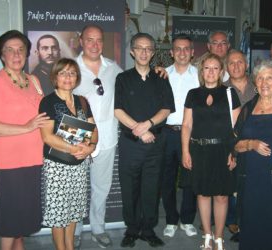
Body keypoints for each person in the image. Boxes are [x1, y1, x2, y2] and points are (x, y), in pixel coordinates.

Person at [0, 30, 49, 250]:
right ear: (2, 55)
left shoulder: (33, 80)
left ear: (27, 53)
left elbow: (43, 113)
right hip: (9, 161)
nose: (16, 54)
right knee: (11, 219)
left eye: (20, 49)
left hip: (33, 157)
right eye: (9, 50)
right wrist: (26, 127)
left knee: (23, 218)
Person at [114, 32, 175, 248]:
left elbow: (167, 108)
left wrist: (148, 124)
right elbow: (118, 111)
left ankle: (148, 230)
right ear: (132, 51)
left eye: (148, 48)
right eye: (139, 48)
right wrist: (140, 130)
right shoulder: (122, 78)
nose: (144, 52)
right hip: (130, 143)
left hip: (156, 144)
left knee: (151, 188)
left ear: (153, 53)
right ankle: (131, 229)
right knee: (129, 188)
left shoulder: (161, 78)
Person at [181, 53, 240, 250]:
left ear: (222, 72)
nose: (211, 72)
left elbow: (236, 128)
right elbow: (187, 125)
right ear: (201, 71)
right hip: (199, 150)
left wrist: (234, 152)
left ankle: (219, 236)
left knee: (222, 196)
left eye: (215, 68)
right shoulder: (192, 94)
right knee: (203, 194)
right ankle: (207, 234)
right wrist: (185, 151)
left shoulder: (230, 94)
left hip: (223, 150)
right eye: (207, 68)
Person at [72, 24, 123, 249]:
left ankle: (98, 228)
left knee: (101, 186)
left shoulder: (113, 68)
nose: (95, 44)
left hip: (108, 136)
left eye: (99, 40)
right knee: (76, 188)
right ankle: (72, 231)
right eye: (90, 40)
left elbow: (130, 92)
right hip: (78, 138)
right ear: (81, 41)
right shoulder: (70, 68)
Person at [39, 58, 98, 250]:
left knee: (73, 212)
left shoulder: (82, 101)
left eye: (72, 73)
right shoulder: (48, 102)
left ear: (77, 78)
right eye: (63, 73)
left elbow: (93, 129)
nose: (68, 77)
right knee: (59, 216)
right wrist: (76, 149)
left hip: (79, 166)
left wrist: (90, 147)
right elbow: (47, 137)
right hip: (57, 167)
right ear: (55, 77)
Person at [233, 59, 272, 250]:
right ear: (255, 83)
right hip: (250, 176)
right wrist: (251, 144)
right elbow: (235, 145)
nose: (264, 83)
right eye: (260, 78)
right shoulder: (247, 108)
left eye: (269, 78)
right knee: (250, 220)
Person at [161, 35, 199, 238]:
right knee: (166, 179)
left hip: (192, 134)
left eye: (186, 49)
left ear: (192, 52)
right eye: (178, 49)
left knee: (190, 180)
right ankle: (170, 219)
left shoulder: (200, 75)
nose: (182, 52)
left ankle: (187, 219)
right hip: (167, 133)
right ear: (171, 52)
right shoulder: (161, 75)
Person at [222, 49, 256, 238]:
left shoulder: (259, 85)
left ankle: (248, 221)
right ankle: (233, 220)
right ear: (227, 67)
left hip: (255, 142)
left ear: (247, 64)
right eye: (232, 63)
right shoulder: (221, 88)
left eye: (240, 62)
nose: (236, 66)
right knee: (232, 185)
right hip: (231, 143)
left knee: (251, 185)